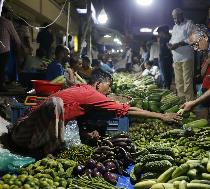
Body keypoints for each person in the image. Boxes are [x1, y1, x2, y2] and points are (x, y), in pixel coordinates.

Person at [8, 69, 181, 156]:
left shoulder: (83, 89)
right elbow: (128, 110)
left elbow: (71, 114)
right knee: (56, 103)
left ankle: (45, 152)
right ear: (98, 84)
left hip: (24, 130)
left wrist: (85, 132)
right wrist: (161, 115)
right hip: (24, 135)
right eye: (109, 85)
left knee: (59, 105)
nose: (110, 89)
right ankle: (43, 155)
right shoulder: (92, 94)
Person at [169, 8, 195, 101]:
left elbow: (192, 38)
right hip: (176, 58)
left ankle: (189, 102)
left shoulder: (189, 23)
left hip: (187, 57)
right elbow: (172, 39)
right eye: (174, 18)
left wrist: (179, 44)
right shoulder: (175, 27)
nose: (175, 20)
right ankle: (181, 101)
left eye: (176, 18)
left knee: (187, 81)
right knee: (179, 81)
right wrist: (170, 44)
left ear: (181, 15)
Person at [0, 7, 22, 91]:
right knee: (1, 69)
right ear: (5, 14)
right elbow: (17, 39)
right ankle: (1, 87)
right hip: (4, 50)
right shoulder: (7, 22)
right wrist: (20, 49)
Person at [157, 25, 173, 89]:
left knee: (167, 74)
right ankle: (166, 86)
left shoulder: (169, 38)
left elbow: (170, 48)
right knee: (165, 74)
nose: (158, 33)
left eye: (159, 32)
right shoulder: (161, 39)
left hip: (167, 58)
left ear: (163, 31)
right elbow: (161, 49)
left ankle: (167, 87)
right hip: (162, 59)